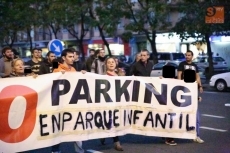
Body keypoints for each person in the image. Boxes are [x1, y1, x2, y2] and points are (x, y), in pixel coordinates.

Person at [52, 48, 85, 153]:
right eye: (70, 57)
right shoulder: (57, 69)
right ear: (63, 58)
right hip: (60, 106)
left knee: (77, 128)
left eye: (73, 56)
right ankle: (55, 151)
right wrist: (57, 75)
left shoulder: (73, 70)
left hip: (73, 104)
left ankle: (79, 151)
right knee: (59, 130)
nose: (73, 59)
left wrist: (82, 74)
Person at [177, 50, 204, 143]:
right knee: (182, 112)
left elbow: (197, 77)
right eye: (186, 55)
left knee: (195, 112)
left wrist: (200, 86)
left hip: (193, 90)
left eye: (189, 55)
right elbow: (179, 75)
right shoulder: (182, 64)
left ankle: (197, 135)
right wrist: (180, 86)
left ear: (192, 56)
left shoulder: (195, 66)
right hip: (184, 90)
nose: (187, 57)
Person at [100, 56, 124, 151]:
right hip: (107, 102)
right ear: (106, 65)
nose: (111, 63)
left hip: (117, 102)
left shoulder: (120, 75)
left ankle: (111, 139)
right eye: (109, 62)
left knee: (114, 121)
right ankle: (113, 140)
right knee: (110, 120)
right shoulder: (102, 76)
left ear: (116, 63)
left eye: (112, 62)